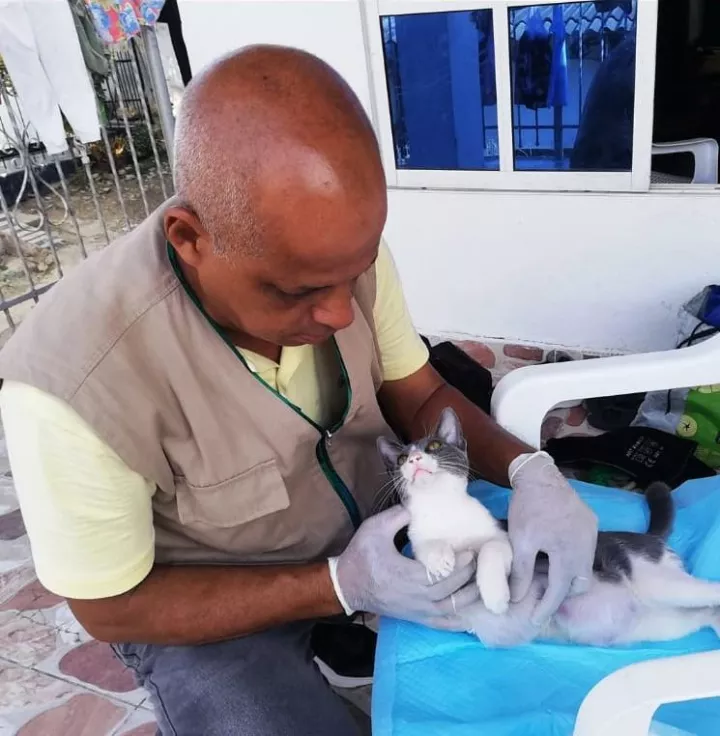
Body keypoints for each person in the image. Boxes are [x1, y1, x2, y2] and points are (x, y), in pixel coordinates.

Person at [0, 46, 598, 736]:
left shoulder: (332, 249)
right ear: (190, 239)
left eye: (357, 271)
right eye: (299, 291)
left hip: (378, 522)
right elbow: (111, 607)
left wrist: (531, 471)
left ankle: (347, 636)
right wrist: (340, 585)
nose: (341, 313)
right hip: (210, 601)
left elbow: (418, 391)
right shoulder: (74, 384)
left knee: (552, 640)